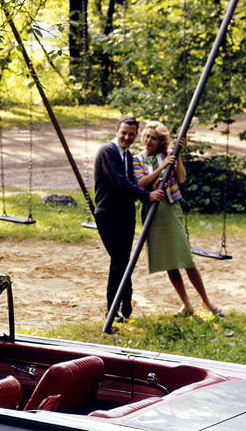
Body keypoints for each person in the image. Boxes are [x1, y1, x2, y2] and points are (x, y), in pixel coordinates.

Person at [133, 120, 223, 318]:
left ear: (160, 142)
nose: (149, 141)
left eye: (154, 138)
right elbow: (141, 183)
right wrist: (160, 170)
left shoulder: (167, 156)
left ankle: (206, 302)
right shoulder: (137, 159)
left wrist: (177, 156)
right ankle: (186, 304)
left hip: (170, 209)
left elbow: (181, 179)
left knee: (185, 258)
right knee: (169, 262)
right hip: (152, 212)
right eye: (147, 136)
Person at [93, 116, 164, 323]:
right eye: (123, 133)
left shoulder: (128, 155)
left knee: (124, 260)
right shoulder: (108, 151)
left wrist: (151, 185)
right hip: (108, 213)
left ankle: (124, 301)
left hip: (125, 213)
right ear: (117, 130)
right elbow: (120, 182)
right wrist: (146, 196)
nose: (127, 137)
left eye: (131, 134)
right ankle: (114, 307)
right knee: (118, 261)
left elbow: (133, 182)